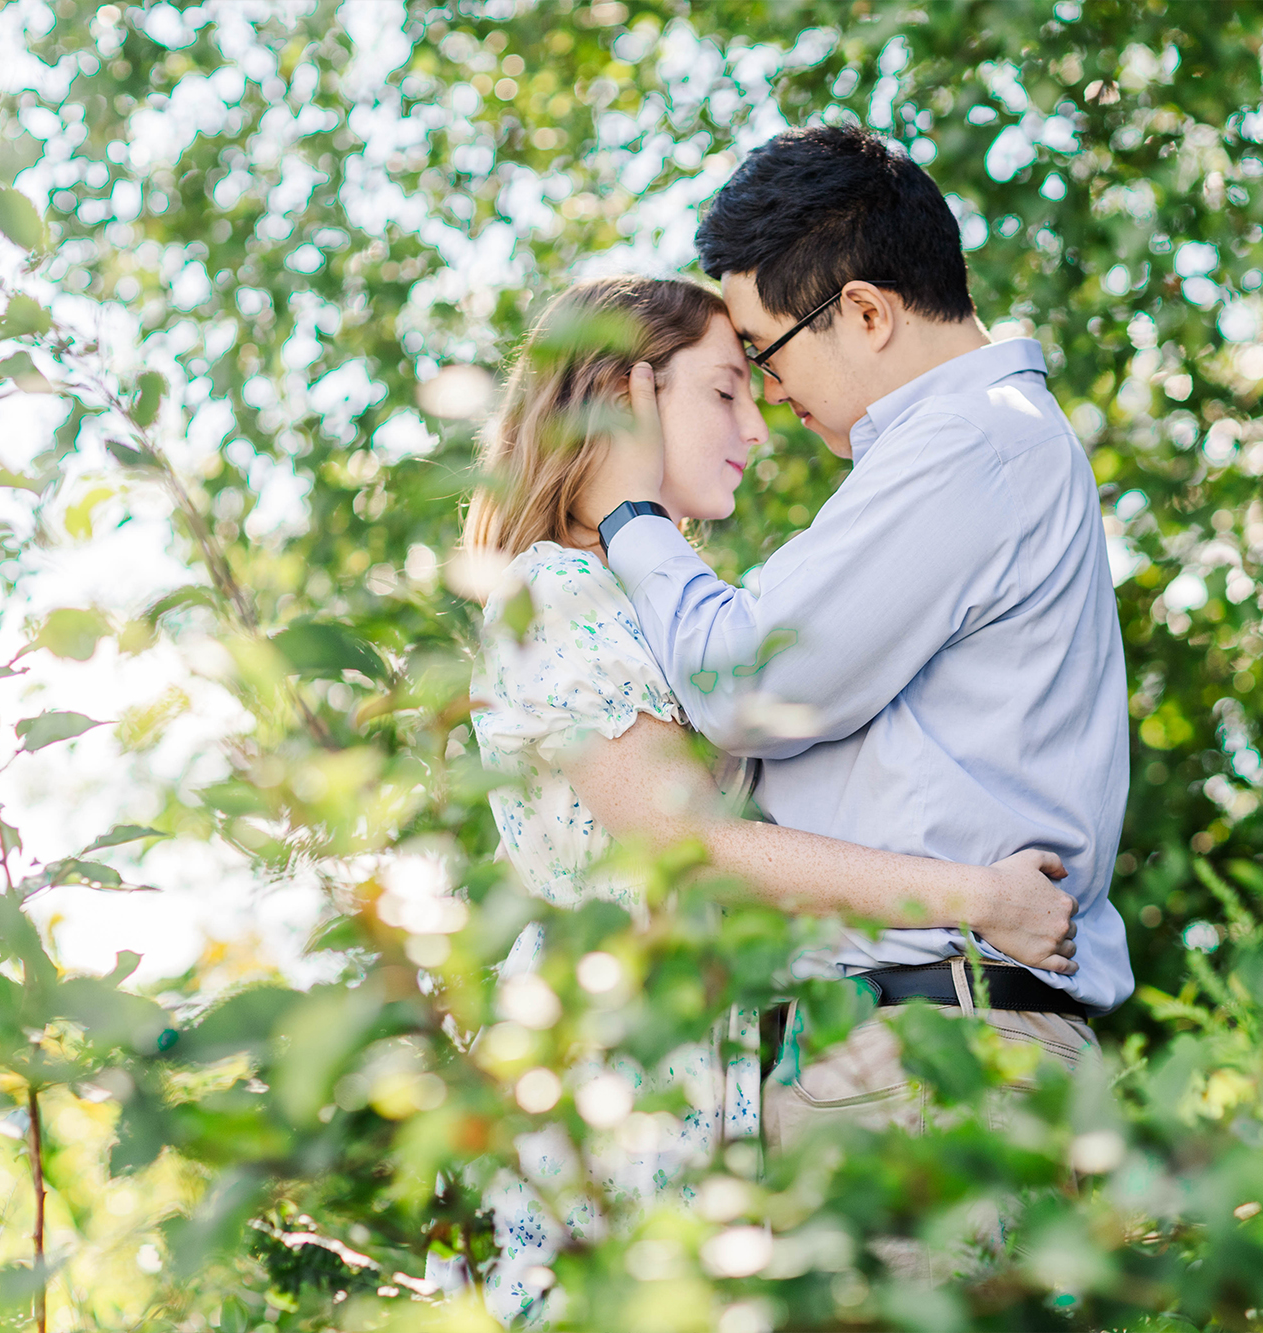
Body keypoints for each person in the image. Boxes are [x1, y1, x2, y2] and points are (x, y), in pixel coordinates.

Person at [460, 274, 1081, 1321]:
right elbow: (684, 844)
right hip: (608, 1107)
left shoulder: (634, 602)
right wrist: (975, 894)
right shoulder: (555, 593)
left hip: (686, 1103)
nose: (758, 425)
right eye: (723, 392)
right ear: (625, 394)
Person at [575, 125, 1134, 1154]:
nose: (771, 404)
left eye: (766, 359)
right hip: (917, 1050)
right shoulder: (964, 450)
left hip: (927, 1061)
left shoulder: (968, 444)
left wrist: (628, 516)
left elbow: (747, 681)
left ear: (865, 311)